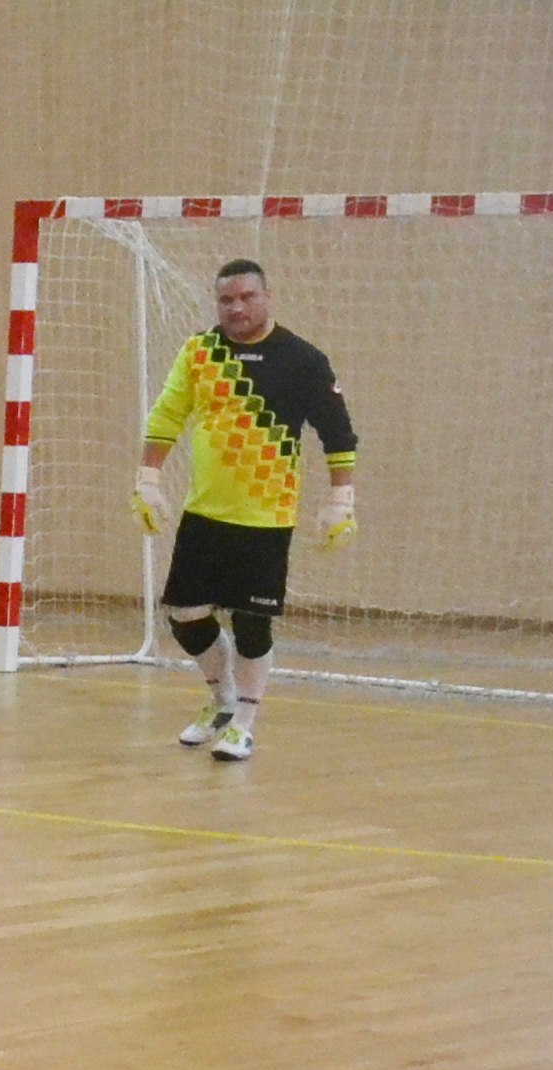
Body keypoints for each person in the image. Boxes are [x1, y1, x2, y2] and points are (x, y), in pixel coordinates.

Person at [133, 259, 358, 761]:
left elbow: (338, 433)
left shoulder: (303, 360)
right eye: (226, 300)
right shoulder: (200, 351)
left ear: (267, 297)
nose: (236, 308)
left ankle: (245, 723)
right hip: (205, 513)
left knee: (252, 624)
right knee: (185, 616)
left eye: (247, 297)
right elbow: (167, 415)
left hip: (266, 517)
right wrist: (147, 478)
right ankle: (223, 702)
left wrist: (340, 499)